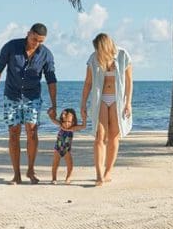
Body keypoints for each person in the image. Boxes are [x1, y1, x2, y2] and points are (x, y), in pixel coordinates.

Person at [0, 23, 58, 184]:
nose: (37, 43)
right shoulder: (12, 47)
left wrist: (54, 104)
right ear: (28, 34)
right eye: (35, 39)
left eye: (41, 41)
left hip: (32, 97)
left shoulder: (46, 54)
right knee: (13, 133)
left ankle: (31, 170)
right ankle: (16, 175)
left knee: (32, 132)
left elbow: (51, 80)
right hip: (12, 95)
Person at [80, 32, 133, 186]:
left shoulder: (123, 55)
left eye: (99, 49)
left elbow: (129, 82)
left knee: (114, 136)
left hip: (118, 100)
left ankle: (108, 171)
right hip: (101, 99)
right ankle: (98, 174)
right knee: (99, 136)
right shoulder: (94, 58)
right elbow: (88, 83)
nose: (97, 52)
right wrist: (83, 104)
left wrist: (128, 103)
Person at [47, 108, 85, 184]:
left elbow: (83, 126)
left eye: (69, 122)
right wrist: (50, 114)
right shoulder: (61, 125)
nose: (66, 124)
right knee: (55, 163)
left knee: (69, 163)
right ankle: (54, 178)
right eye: (64, 121)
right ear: (62, 121)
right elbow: (53, 120)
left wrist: (84, 117)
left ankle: (68, 177)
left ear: (73, 122)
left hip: (67, 149)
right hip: (57, 148)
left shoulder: (73, 128)